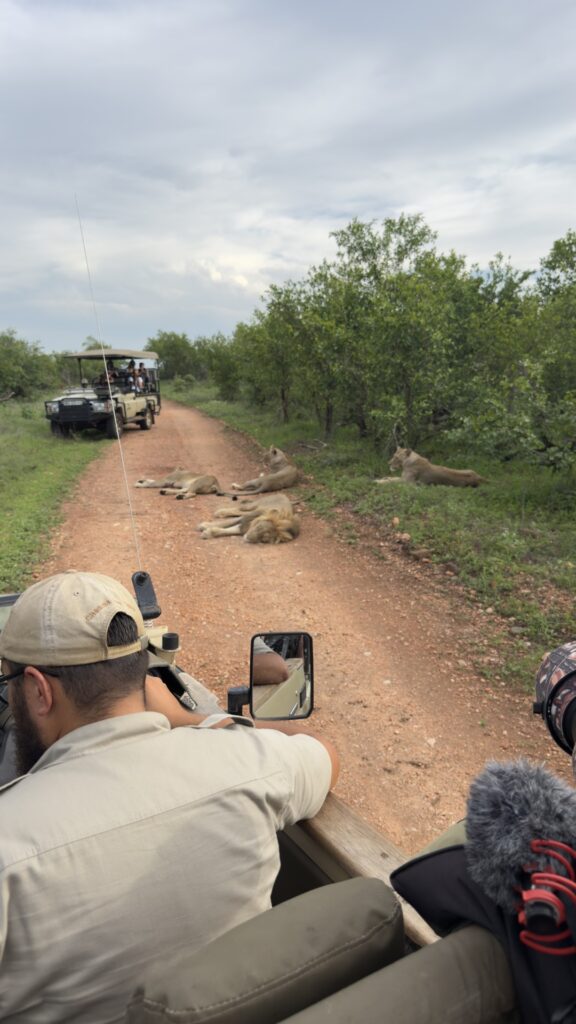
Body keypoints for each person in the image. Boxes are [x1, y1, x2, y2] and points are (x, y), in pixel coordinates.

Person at [0, 571, 338, 1023]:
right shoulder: (248, 764)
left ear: (39, 691)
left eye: (9, 684)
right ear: (140, 671)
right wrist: (187, 718)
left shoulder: (10, 840)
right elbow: (326, 753)